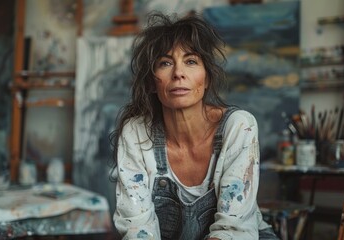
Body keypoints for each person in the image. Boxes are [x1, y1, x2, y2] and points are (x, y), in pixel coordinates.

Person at [110, 12, 279, 240]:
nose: (178, 73)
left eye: (190, 61)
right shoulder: (135, 133)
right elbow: (137, 228)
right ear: (152, 82)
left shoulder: (238, 127)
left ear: (207, 78)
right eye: (166, 63)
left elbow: (232, 228)